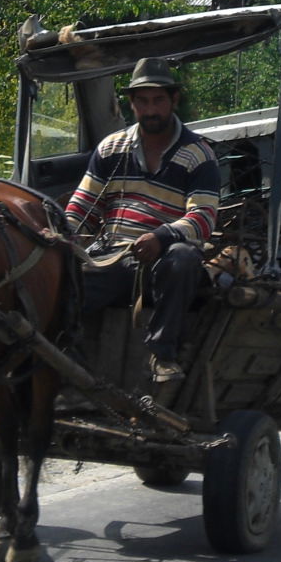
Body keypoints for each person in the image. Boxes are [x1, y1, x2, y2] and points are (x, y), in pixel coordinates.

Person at [64, 58, 222, 381]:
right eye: (143, 101)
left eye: (158, 100)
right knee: (59, 283)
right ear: (132, 103)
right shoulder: (111, 149)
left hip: (161, 268)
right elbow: (81, 210)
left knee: (184, 258)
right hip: (112, 260)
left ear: (173, 100)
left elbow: (203, 218)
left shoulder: (198, 154)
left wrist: (160, 238)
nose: (151, 110)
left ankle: (162, 355)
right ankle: (68, 363)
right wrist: (60, 237)